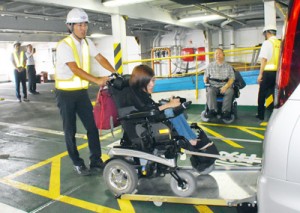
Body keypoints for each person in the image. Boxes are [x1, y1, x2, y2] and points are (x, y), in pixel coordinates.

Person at [55, 8, 116, 176]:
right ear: (70, 26)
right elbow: (74, 68)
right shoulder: (64, 45)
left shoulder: (87, 43)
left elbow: (100, 58)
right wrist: (97, 80)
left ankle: (96, 160)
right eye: (79, 25)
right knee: (70, 130)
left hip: (81, 93)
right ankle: (77, 162)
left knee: (92, 126)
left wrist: (114, 73)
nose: (83, 28)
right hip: (65, 94)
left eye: (85, 25)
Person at [129, 64, 200, 146]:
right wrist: (168, 105)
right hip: (148, 119)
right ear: (142, 81)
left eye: (153, 80)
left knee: (177, 111)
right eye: (150, 81)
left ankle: (192, 137)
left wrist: (170, 104)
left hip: (153, 114)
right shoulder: (135, 95)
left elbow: (152, 106)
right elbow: (147, 110)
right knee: (173, 114)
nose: (153, 84)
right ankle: (188, 139)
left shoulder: (143, 93)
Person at [256, 26, 281, 121]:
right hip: (278, 73)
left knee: (262, 93)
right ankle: (270, 111)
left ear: (267, 33)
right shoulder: (280, 43)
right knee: (271, 92)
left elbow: (264, 59)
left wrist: (260, 74)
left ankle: (261, 114)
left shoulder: (267, 43)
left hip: (267, 73)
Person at [203, 48, 235, 119]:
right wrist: (205, 80)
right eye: (216, 53)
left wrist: (226, 86)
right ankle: (212, 110)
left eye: (219, 53)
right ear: (214, 56)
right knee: (210, 91)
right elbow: (205, 77)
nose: (218, 55)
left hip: (225, 86)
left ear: (223, 55)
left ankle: (225, 111)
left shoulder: (229, 67)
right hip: (213, 86)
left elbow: (231, 79)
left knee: (230, 91)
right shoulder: (209, 66)